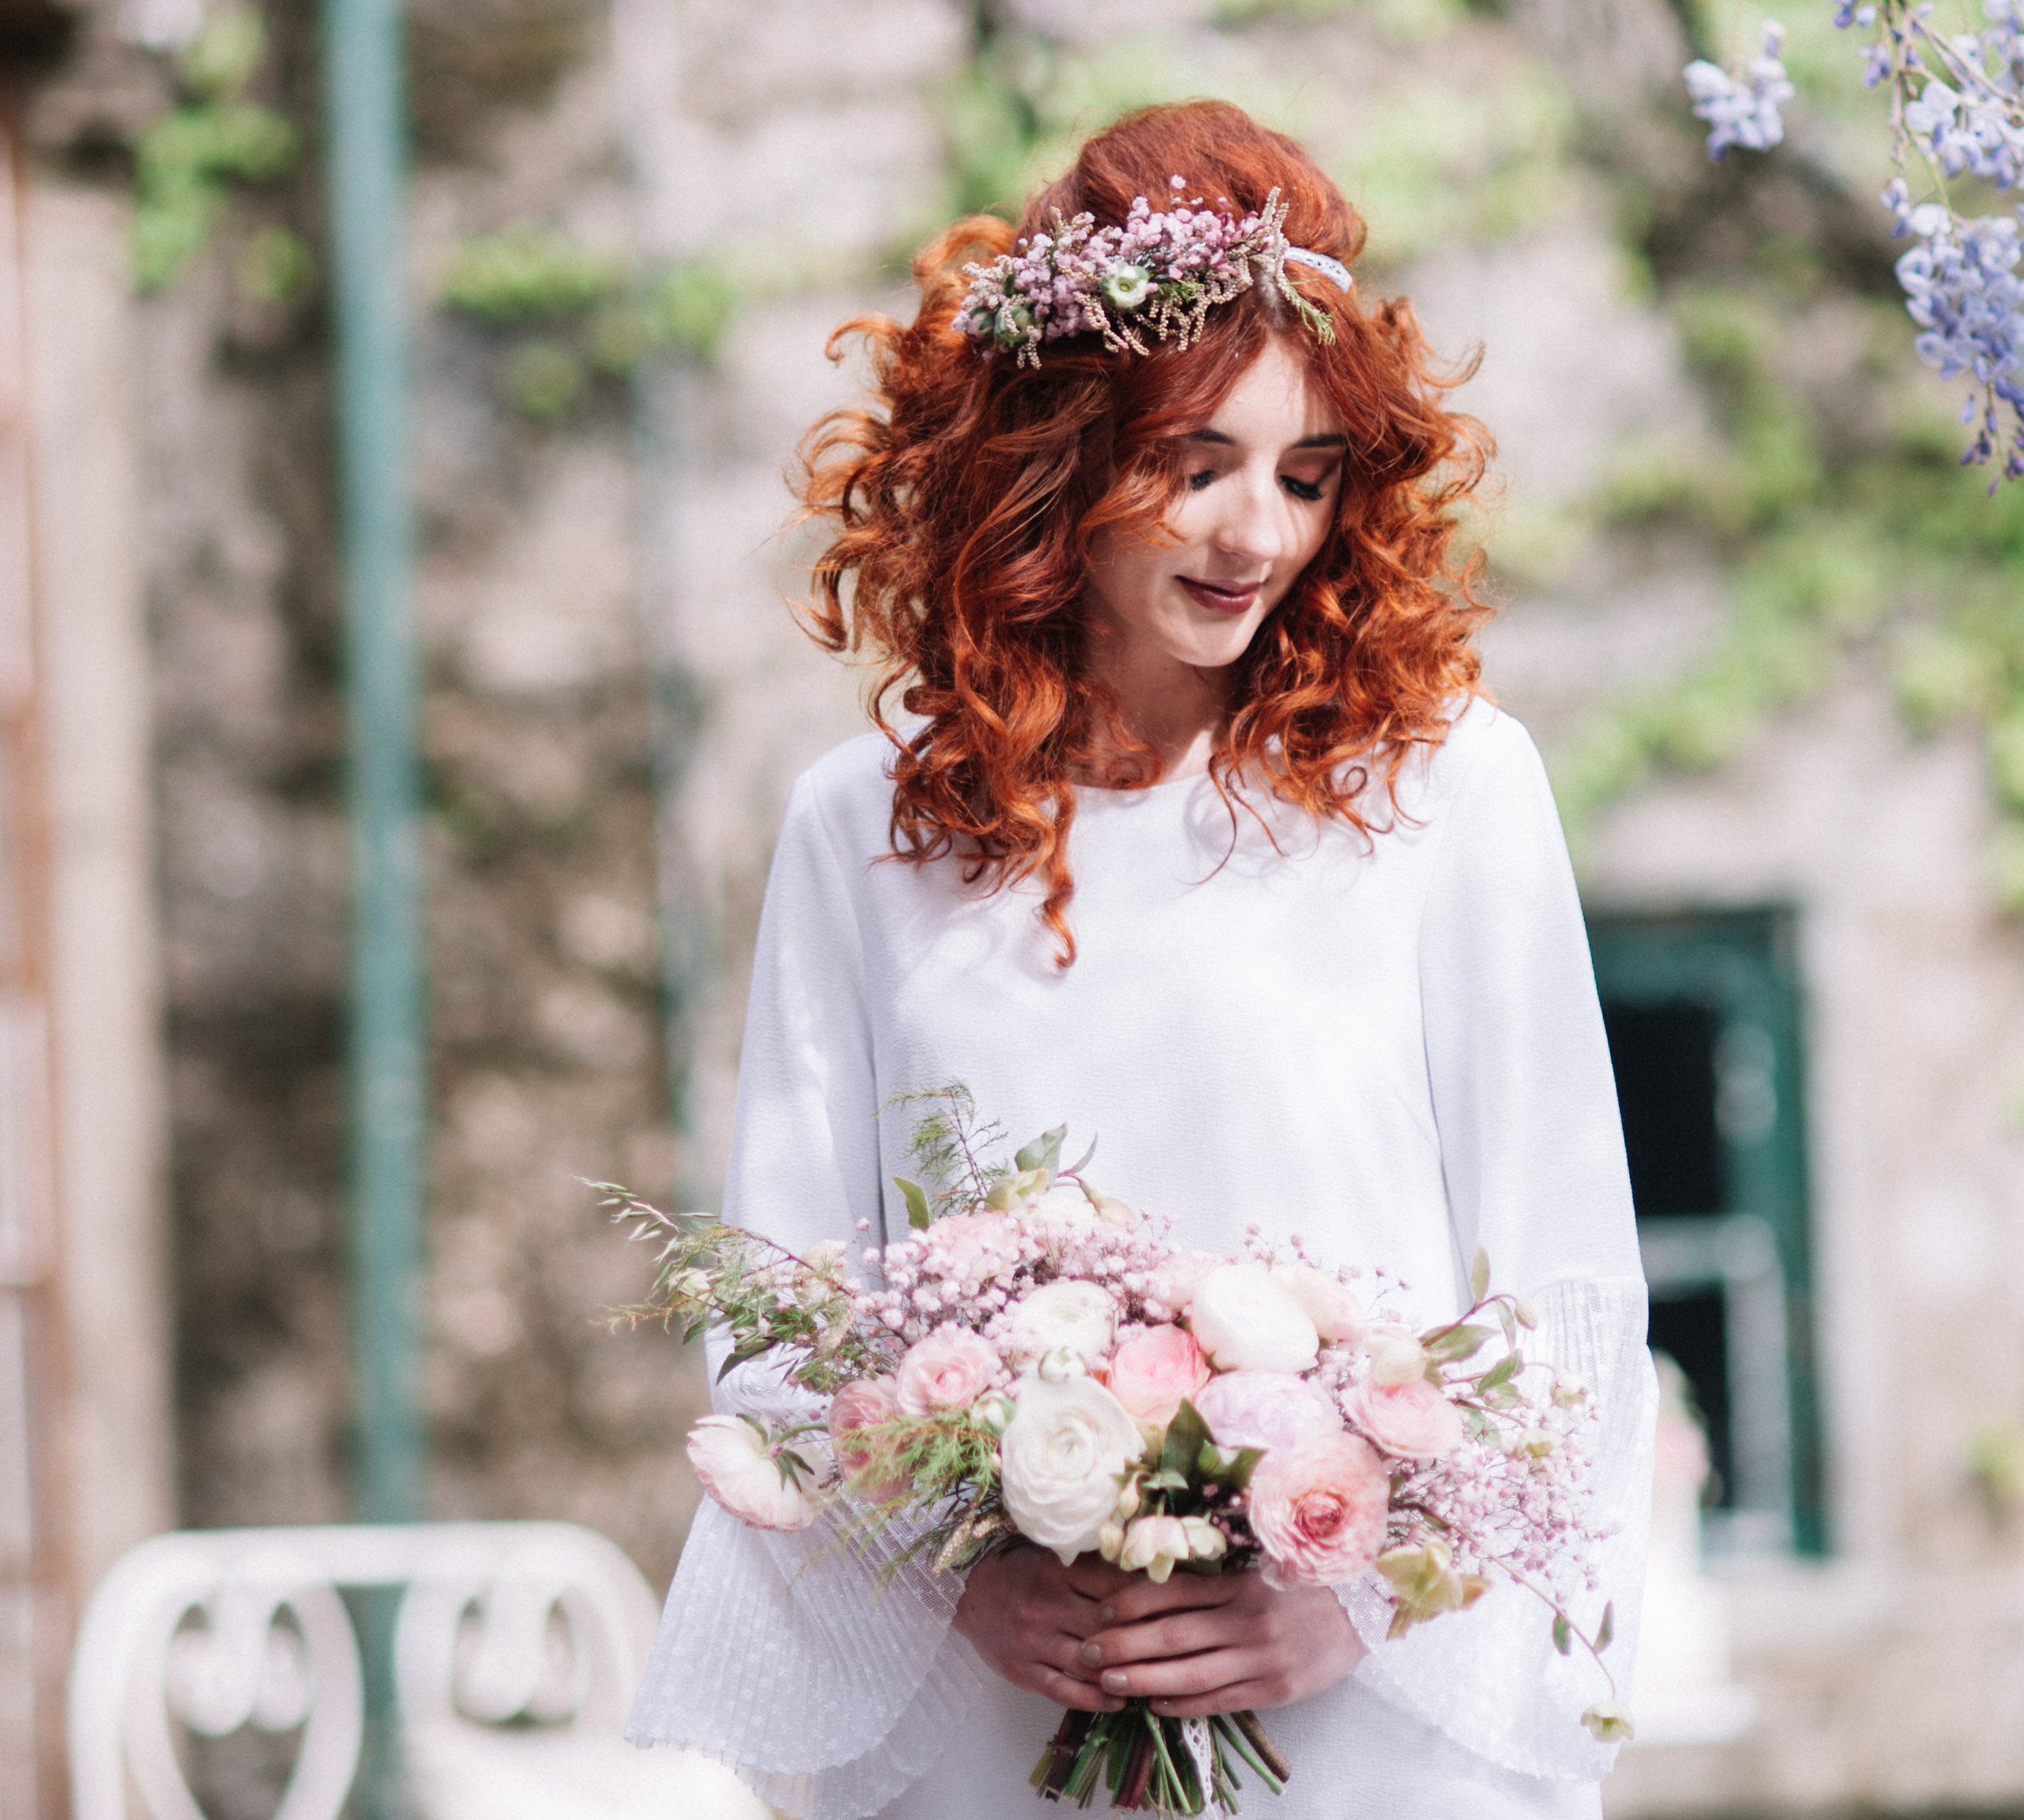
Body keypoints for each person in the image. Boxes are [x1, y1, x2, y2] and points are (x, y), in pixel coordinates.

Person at [628, 99, 1654, 1818]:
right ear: (1057, 450)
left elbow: (1562, 1294)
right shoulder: (859, 829)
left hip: (1362, 1730)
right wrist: (963, 1579)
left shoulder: (1449, 794)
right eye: (1197, 463)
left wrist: (1353, 1602)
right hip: (993, 1715)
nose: (1256, 532)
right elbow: (787, 1318)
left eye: (1307, 476)